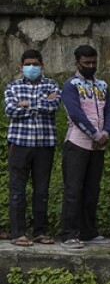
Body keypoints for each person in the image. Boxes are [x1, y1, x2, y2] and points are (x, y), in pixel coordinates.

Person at [58, 45, 110, 250]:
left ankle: (89, 232)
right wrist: (95, 134)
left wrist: (106, 133)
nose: (91, 66)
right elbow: (75, 114)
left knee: (92, 189)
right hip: (77, 143)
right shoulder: (70, 85)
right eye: (86, 63)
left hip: (98, 146)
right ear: (77, 63)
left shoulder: (102, 85)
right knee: (73, 189)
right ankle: (68, 234)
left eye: (93, 63)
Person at [5, 50, 60, 246]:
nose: (32, 68)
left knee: (42, 190)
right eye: (28, 64)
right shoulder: (13, 86)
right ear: (21, 66)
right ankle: (18, 233)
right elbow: (10, 110)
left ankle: (40, 232)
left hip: (44, 145)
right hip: (19, 144)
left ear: (42, 65)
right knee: (17, 189)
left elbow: (54, 106)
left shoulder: (52, 84)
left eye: (35, 64)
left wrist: (26, 105)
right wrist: (42, 102)